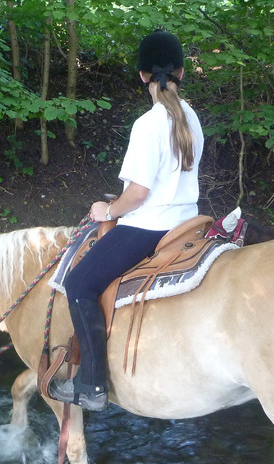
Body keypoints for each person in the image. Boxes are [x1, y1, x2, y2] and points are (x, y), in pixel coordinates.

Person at [48, 30, 205, 411]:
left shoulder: (148, 124)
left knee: (79, 283)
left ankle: (93, 385)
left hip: (150, 228)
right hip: (189, 222)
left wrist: (108, 211)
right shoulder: (192, 117)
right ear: (182, 72)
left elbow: (137, 195)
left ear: (142, 76)